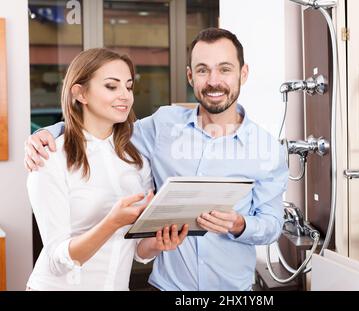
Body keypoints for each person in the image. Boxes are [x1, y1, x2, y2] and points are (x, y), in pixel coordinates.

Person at [24, 28, 288, 291]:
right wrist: (49, 131)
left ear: (243, 73)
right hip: (167, 287)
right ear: (190, 76)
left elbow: (273, 225)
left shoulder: (266, 149)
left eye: (225, 69)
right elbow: (102, 130)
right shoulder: (162, 126)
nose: (213, 80)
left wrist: (241, 225)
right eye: (202, 70)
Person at [26, 48, 188, 291]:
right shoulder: (50, 157)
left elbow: (136, 250)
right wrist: (110, 223)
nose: (125, 95)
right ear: (80, 93)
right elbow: (58, 261)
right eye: (112, 86)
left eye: (129, 86)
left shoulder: (137, 160)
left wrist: (158, 242)